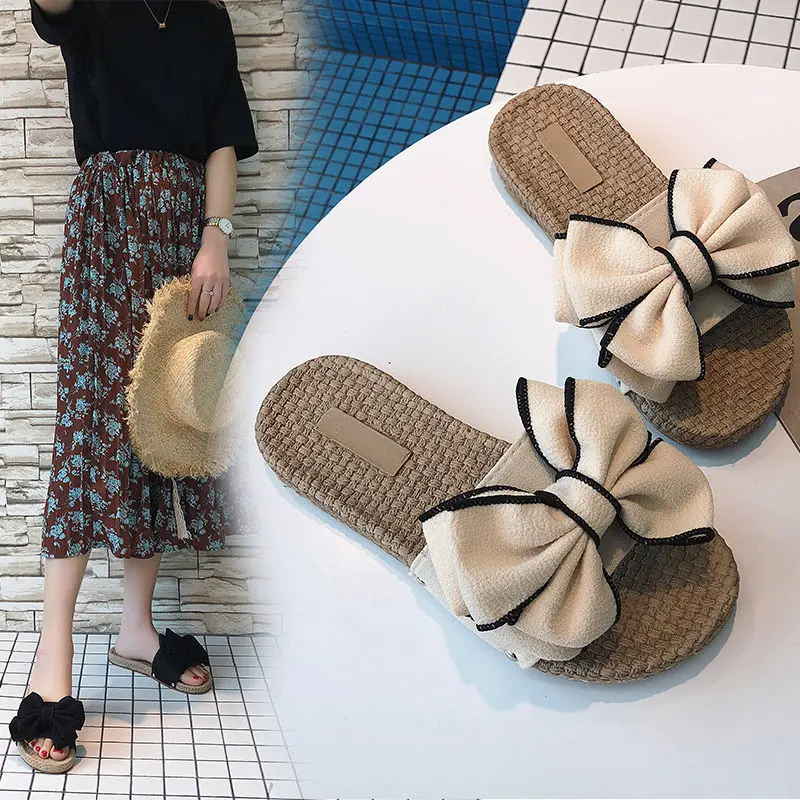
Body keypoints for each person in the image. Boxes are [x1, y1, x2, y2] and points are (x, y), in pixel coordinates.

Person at [8, 0, 259, 771]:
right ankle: (52, 656)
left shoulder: (206, 17)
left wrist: (215, 236)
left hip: (183, 233)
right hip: (110, 223)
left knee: (161, 422)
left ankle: (136, 630)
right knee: (93, 426)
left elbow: (223, 135)